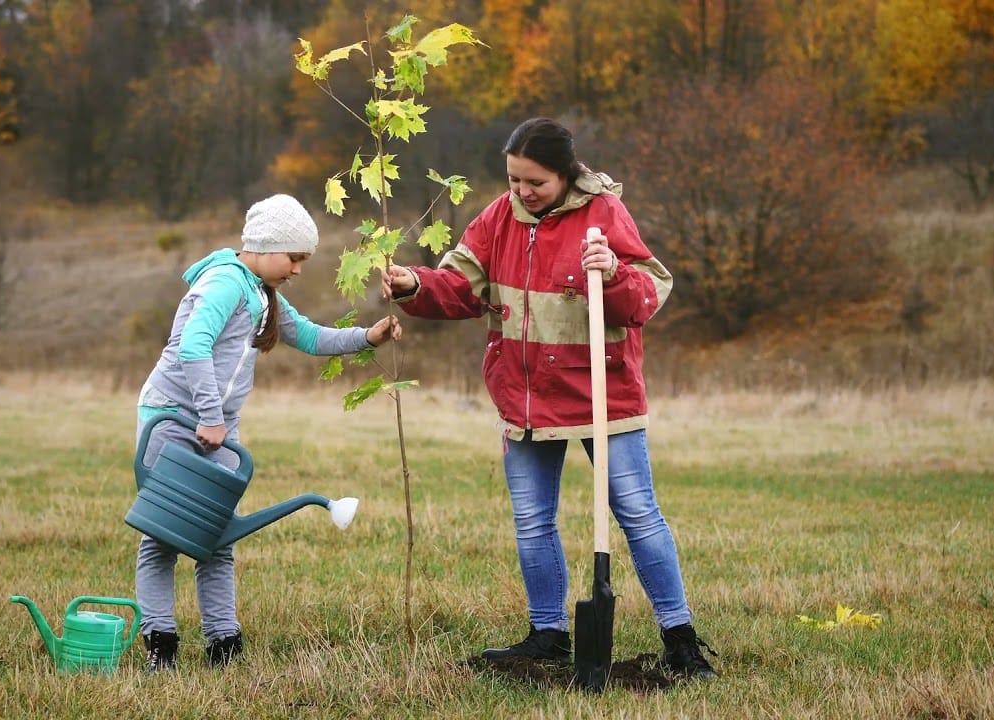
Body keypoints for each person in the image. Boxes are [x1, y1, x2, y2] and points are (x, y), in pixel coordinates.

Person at [381, 118, 717, 680]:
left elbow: (648, 294)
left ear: (565, 175)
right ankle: (547, 634)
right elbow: (460, 287)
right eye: (513, 179)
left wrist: (610, 273)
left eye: (534, 182)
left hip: (601, 395)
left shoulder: (604, 214)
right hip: (526, 398)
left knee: (636, 513)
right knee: (532, 520)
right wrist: (415, 284)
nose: (521, 192)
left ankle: (680, 638)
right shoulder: (497, 218)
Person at [134, 194, 401, 672]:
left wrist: (367, 337)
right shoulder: (224, 284)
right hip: (173, 420)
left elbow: (311, 336)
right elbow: (193, 348)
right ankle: (161, 645)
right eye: (294, 257)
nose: (298, 269)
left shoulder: (260, 292)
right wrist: (211, 417)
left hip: (217, 428)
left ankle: (223, 644)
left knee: (217, 536)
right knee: (163, 536)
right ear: (264, 245)